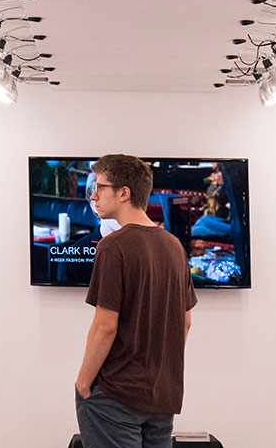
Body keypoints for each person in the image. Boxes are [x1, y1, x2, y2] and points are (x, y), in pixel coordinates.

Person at [75, 154, 197, 448]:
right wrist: (157, 369)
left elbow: (105, 327)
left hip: (115, 395)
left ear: (123, 193)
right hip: (160, 395)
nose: (93, 196)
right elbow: (186, 321)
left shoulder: (113, 246)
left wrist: (82, 384)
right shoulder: (173, 246)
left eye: (100, 188)